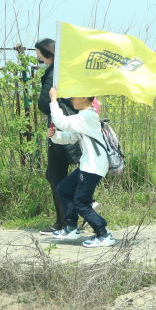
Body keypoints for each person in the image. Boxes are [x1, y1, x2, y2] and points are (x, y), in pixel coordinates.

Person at [47, 86, 115, 248]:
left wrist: (53, 100)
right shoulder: (84, 117)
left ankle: (103, 234)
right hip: (89, 164)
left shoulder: (87, 116)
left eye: (74, 97)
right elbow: (70, 137)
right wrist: (55, 135)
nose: (71, 100)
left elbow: (62, 122)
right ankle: (71, 227)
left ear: (84, 97)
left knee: (81, 202)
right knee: (64, 189)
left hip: (93, 166)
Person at [35, 38, 71, 235]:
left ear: (47, 54)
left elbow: (44, 103)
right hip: (74, 126)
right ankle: (76, 213)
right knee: (69, 173)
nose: (39, 59)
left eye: (39, 56)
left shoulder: (53, 73)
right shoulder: (68, 70)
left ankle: (64, 223)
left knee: (55, 175)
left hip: (57, 128)